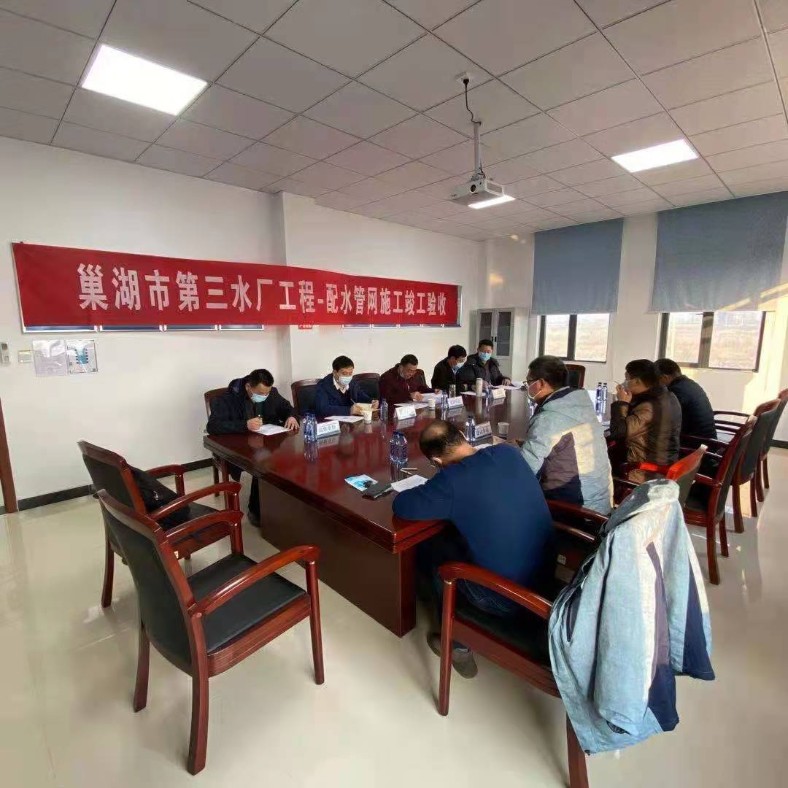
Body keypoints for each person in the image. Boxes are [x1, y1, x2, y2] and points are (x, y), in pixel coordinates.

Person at [393, 420, 554, 679]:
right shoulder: (508, 453)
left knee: (435, 556)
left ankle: (456, 644)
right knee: (450, 537)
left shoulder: (452, 481)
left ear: (436, 461)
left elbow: (403, 506)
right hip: (546, 578)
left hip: (509, 599)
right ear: (462, 435)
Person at [522, 355, 613, 514]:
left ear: (541, 383)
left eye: (529, 382)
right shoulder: (580, 405)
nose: (527, 387)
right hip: (601, 504)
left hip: (577, 512)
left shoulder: (549, 417)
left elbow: (524, 471)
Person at [206, 369, 299, 525]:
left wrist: (291, 416)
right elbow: (213, 426)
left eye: (267, 393)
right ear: (248, 386)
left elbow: (288, 407)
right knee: (262, 465)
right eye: (261, 393)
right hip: (239, 447)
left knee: (283, 459)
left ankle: (283, 506)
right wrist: (244, 425)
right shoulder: (228, 399)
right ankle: (256, 511)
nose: (265, 396)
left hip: (266, 441)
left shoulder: (271, 393)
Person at [610, 359, 682, 480]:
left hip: (645, 471)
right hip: (663, 460)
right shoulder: (668, 396)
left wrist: (621, 403)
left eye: (627, 379)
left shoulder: (649, 407)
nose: (624, 383)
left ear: (637, 381)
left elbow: (618, 432)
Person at [655, 358, 717, 441]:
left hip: (695, 442)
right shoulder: (690, 384)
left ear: (664, 377)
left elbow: (665, 419)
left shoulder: (676, 390)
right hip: (708, 439)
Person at [314, 355, 378, 418]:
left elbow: (361, 396)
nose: (348, 377)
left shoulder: (352, 382)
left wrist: (372, 402)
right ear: (335, 372)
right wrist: (349, 410)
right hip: (331, 422)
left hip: (352, 421)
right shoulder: (323, 385)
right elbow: (322, 409)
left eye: (350, 373)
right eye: (344, 373)